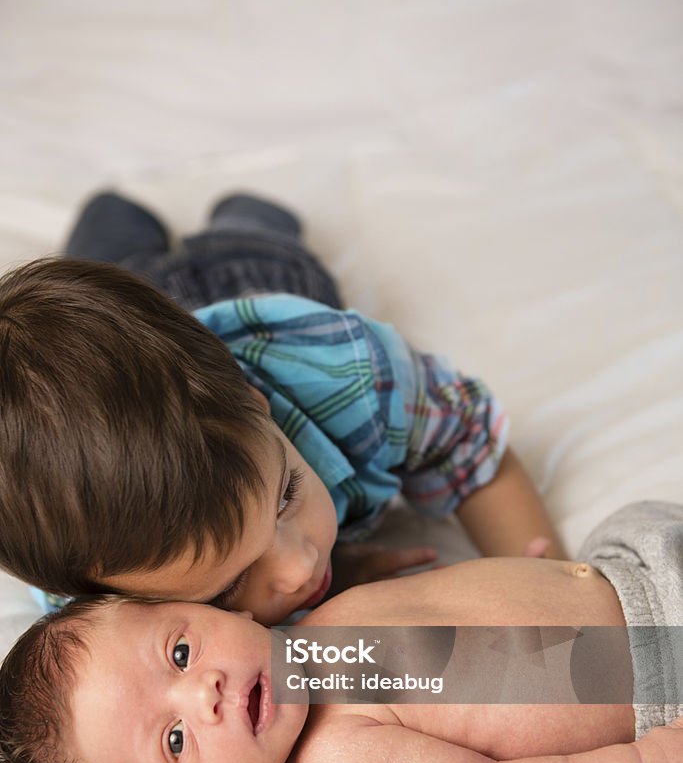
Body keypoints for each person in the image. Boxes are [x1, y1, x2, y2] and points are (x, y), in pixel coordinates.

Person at [0, 192, 563, 627]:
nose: (297, 568)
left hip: (254, 273)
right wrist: (342, 572)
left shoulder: (355, 374)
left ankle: (237, 215)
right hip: (137, 330)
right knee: (109, 258)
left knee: (254, 235)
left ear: (257, 403)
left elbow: (468, 444)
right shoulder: (86, 593)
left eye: (287, 494)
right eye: (226, 589)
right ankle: (113, 227)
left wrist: (551, 584)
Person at [1, 501, 681, 763]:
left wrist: (521, 583)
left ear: (218, 608)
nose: (202, 695)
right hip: (658, 669)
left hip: (628, 557)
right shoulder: (340, 758)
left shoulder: (308, 613)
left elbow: (448, 619)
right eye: (174, 740)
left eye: (180, 653)